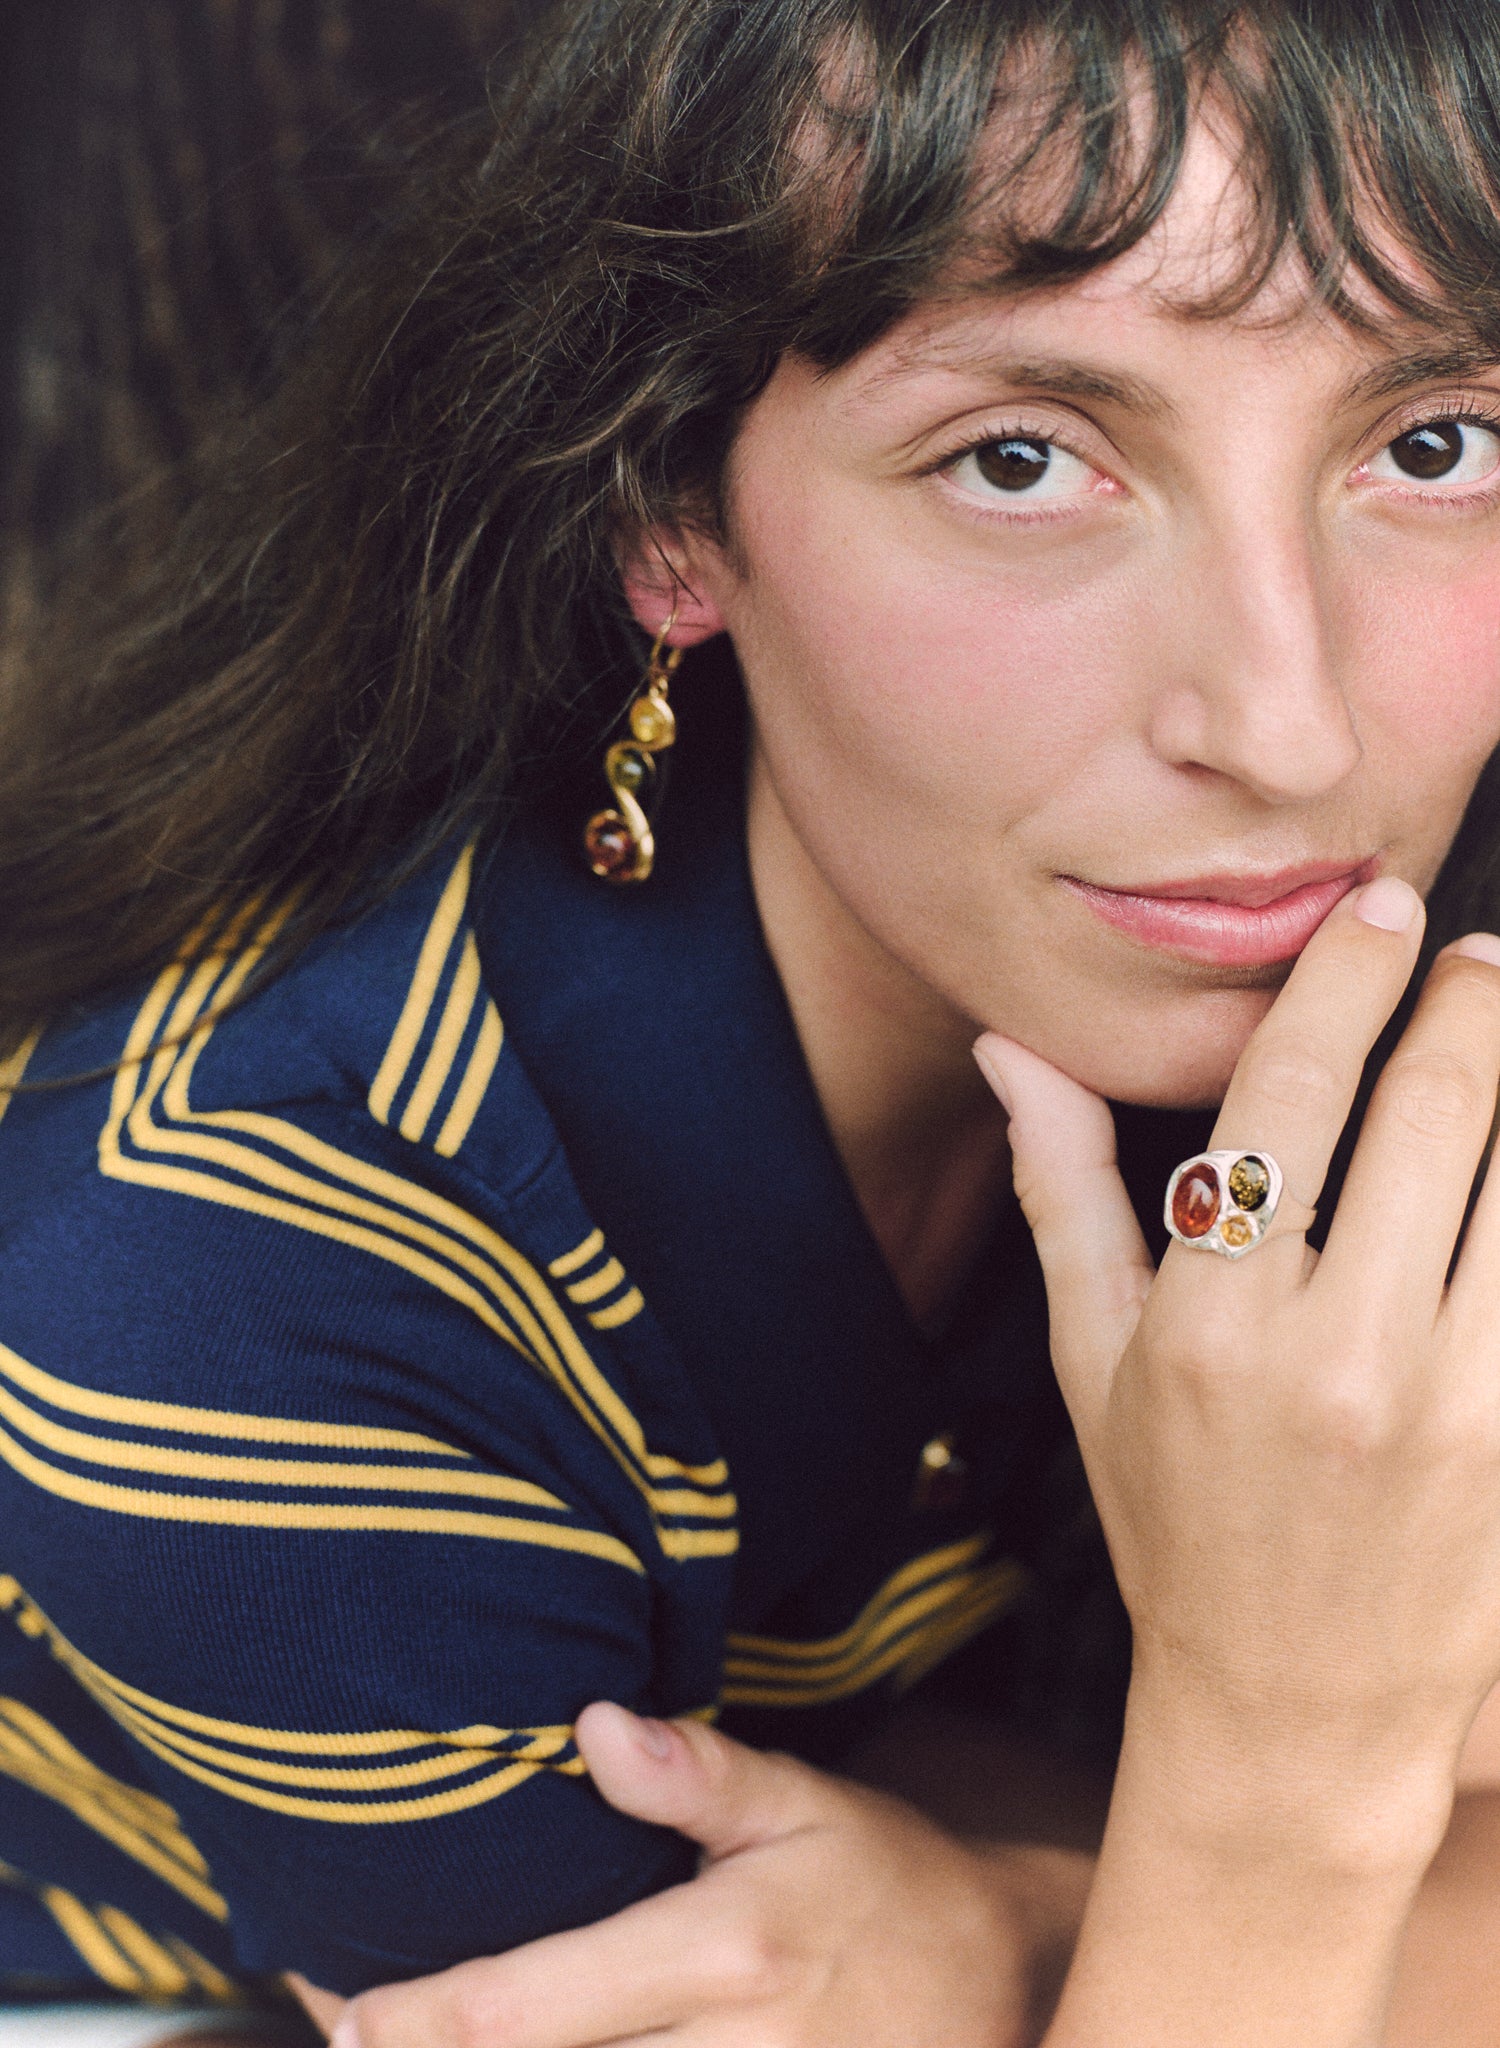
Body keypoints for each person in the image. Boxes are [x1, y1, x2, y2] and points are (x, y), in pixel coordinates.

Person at [6, 0, 1500, 2041]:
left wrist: (1003, 1921)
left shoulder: (1346, 954)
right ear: (672, 516)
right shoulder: (229, 1283)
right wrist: (1279, 1770)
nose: (1286, 728)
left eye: (1437, 443)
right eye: (1020, 459)